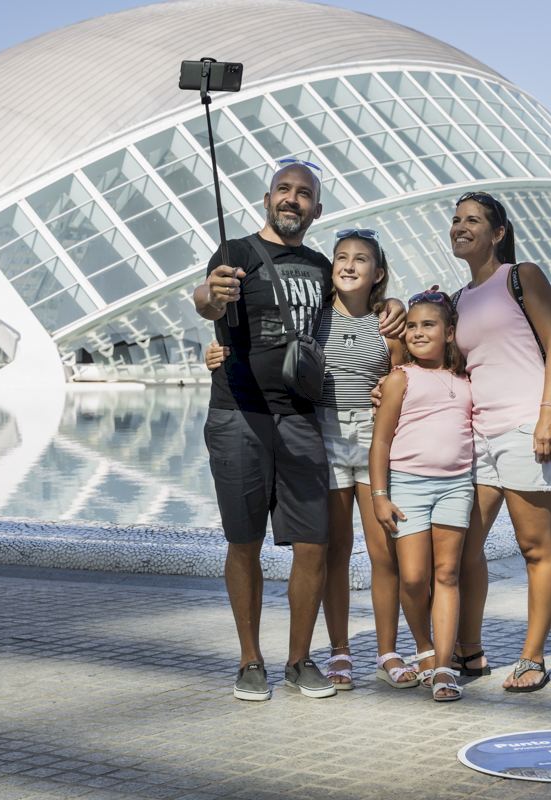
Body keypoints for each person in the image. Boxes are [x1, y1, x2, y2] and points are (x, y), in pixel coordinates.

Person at [192, 159, 405, 702]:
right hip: (239, 414)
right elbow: (207, 301)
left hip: (302, 420)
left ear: (316, 208)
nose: (292, 199)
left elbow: (361, 305)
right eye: (283, 190)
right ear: (267, 199)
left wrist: (395, 305)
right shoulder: (236, 253)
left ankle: (299, 660)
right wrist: (211, 296)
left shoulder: (319, 265)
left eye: (303, 193)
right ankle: (249, 660)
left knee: (313, 544)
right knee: (244, 542)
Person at [450, 191, 551, 692]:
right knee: (463, 548)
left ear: (497, 233)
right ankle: (470, 651)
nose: (460, 226)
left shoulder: (521, 277)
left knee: (534, 546)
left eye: (473, 220)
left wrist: (547, 416)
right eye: (456, 219)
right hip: (479, 436)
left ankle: (532, 657)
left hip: (526, 428)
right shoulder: (459, 299)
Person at [370, 288, 473, 702]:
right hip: (408, 485)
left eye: (428, 325)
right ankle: (423, 645)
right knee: (413, 577)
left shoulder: (466, 380)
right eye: (411, 326)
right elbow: (380, 441)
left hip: (456, 486)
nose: (416, 332)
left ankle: (444, 666)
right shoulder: (400, 378)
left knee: (447, 574)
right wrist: (380, 494)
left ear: (449, 333)